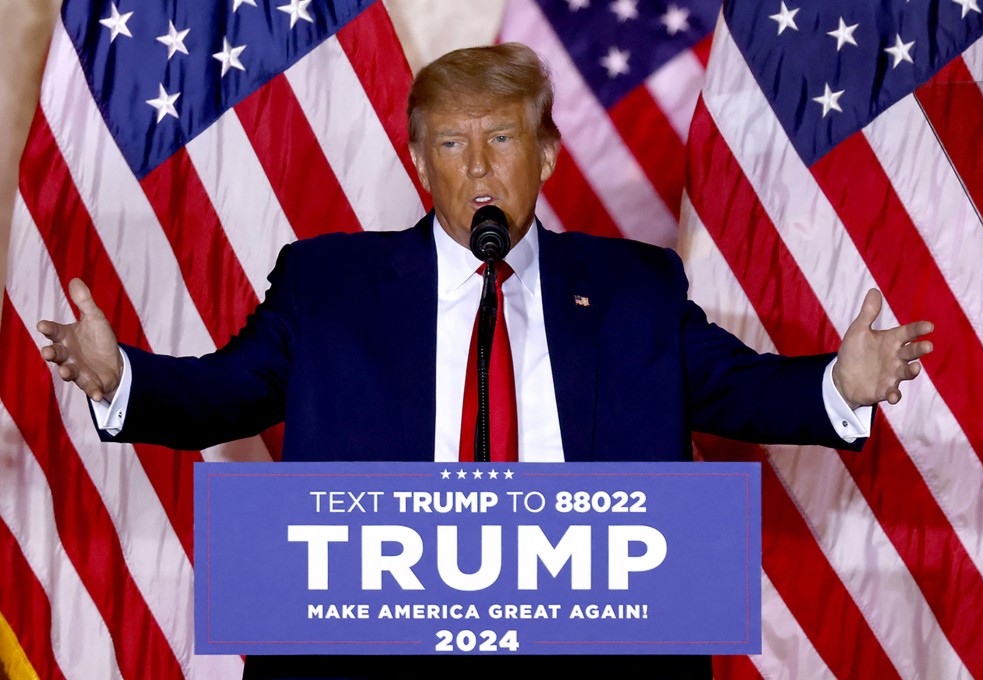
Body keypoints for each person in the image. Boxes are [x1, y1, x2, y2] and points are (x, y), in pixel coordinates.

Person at [37, 43, 933, 678]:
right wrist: (124, 378)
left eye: (500, 140)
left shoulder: (632, 285)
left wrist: (840, 384)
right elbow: (227, 391)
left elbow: (732, 387)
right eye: (451, 145)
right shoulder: (329, 282)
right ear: (420, 160)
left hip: (592, 640)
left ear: (543, 154)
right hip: (372, 642)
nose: (476, 171)